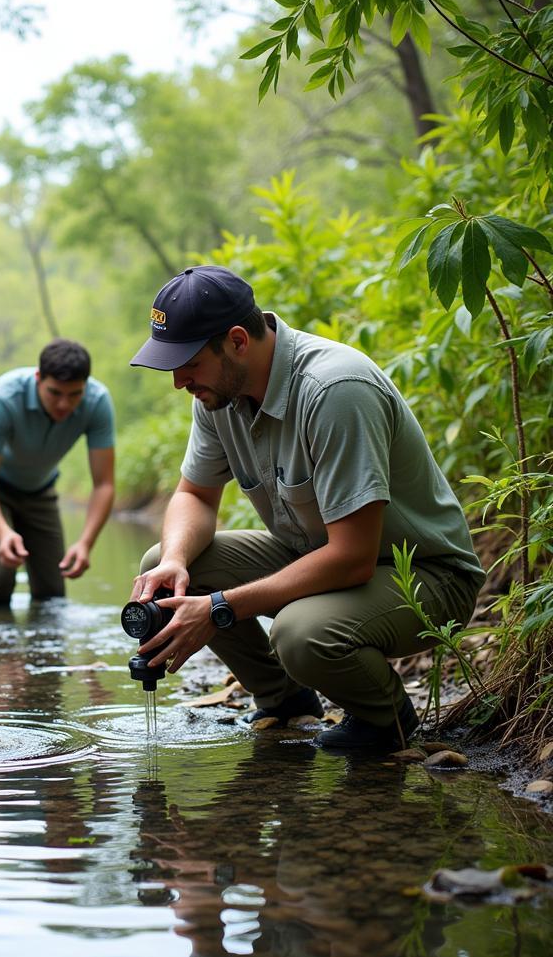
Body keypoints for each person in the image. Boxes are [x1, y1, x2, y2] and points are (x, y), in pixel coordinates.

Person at [128, 265, 484, 751]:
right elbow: (194, 495)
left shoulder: (335, 391)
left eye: (186, 361)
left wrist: (219, 609)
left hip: (422, 574)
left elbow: (353, 557)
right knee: (168, 564)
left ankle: (385, 719)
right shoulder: (218, 393)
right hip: (319, 555)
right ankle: (287, 702)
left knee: (300, 633)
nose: (177, 381)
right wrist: (174, 561)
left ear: (236, 341)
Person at [0, 339, 116, 605]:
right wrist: (3, 532)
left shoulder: (98, 402)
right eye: (55, 393)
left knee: (53, 588)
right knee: (1, 572)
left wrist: (85, 542)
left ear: (85, 385)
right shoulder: (4, 396)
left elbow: (104, 484)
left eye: (75, 394)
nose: (64, 404)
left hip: (38, 488)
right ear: (38, 378)